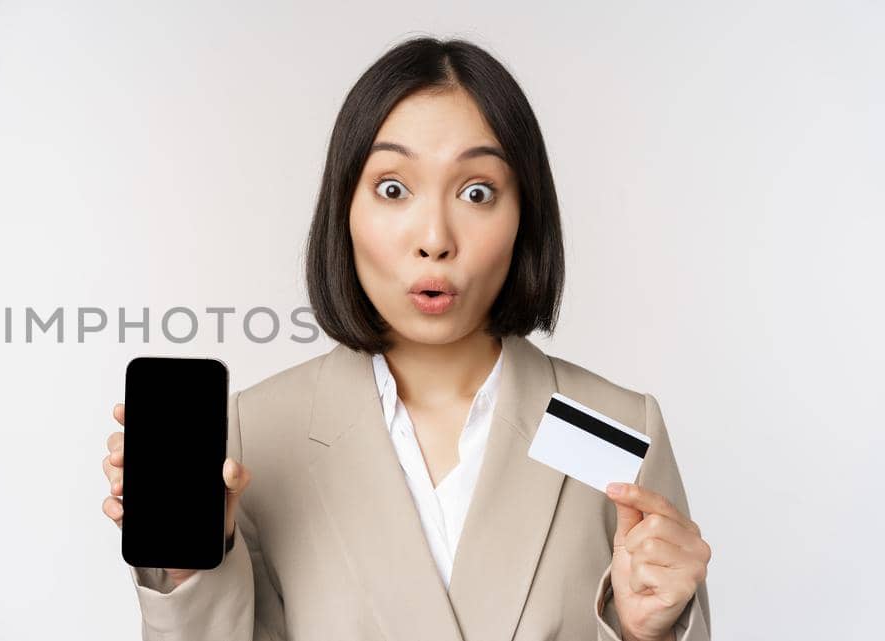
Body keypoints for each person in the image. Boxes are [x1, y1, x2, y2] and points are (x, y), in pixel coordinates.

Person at [99, 37, 711, 641]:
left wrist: (647, 633)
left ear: (525, 214)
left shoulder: (618, 431)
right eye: (393, 188)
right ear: (344, 207)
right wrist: (186, 574)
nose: (435, 237)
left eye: (477, 192)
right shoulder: (254, 437)